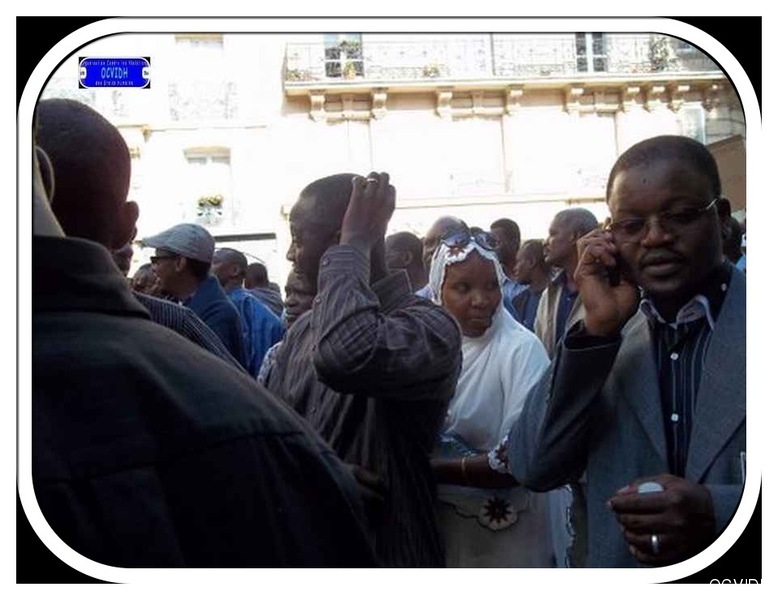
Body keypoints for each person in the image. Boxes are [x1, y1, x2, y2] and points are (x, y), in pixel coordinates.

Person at [31, 101, 377, 567]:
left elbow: (342, 356)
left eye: (160, 259)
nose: (292, 254)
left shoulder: (193, 325)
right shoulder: (258, 424)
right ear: (126, 224)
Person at [506, 134, 746, 568]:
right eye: (632, 225)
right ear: (609, 236)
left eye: (679, 216)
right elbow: (533, 466)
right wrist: (595, 330)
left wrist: (721, 512)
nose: (655, 237)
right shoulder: (605, 337)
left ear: (722, 218)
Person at [264, 172, 463, 567]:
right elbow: (273, 436)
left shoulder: (431, 326)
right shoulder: (304, 329)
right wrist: (319, 473)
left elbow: (345, 354)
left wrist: (354, 244)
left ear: (339, 239)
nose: (290, 254)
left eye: (298, 238)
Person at [36, 98, 245, 372]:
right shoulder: (177, 326)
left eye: (158, 258)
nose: (153, 267)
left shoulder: (187, 320)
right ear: (126, 227)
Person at [426, 226, 553, 567]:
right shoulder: (426, 351)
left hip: (507, 530)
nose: (481, 300)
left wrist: (427, 470)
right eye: (463, 288)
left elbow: (521, 456)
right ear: (438, 291)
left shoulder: (520, 350)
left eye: (492, 286)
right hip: (441, 527)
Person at [142, 222, 247, 368]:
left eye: (156, 260)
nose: (153, 268)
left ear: (179, 263)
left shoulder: (217, 315)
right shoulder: (179, 301)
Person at [534, 207, 599, 357]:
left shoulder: (607, 292)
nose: (545, 242)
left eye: (552, 234)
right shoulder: (549, 293)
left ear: (575, 236)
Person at [211, 248, 284, 378]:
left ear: (234, 270)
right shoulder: (253, 306)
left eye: (214, 262)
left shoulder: (238, 306)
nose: (208, 267)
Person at [417, 215, 468, 298]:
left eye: (441, 242)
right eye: (427, 244)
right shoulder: (417, 301)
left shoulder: (484, 298)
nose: (431, 250)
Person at [490, 217, 527, 321]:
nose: (492, 248)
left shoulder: (534, 278)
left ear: (514, 242)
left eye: (496, 243)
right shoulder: (492, 280)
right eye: (491, 244)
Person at [511, 239, 552, 333]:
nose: (515, 268)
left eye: (518, 262)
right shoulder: (518, 301)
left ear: (531, 262)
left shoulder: (556, 298)